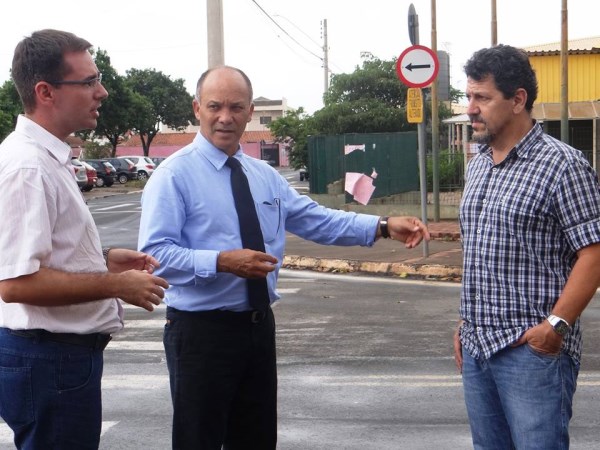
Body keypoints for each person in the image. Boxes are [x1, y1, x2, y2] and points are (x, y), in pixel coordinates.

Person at [137, 65, 430, 449]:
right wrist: (222, 261)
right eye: (215, 106)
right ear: (197, 109)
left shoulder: (263, 175)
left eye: (236, 107)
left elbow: (316, 220)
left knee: (256, 439)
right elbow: (156, 254)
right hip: (201, 333)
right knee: (199, 440)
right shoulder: (173, 176)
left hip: (258, 329)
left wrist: (382, 225)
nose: (225, 117)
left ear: (249, 110)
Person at [0, 29, 169, 450]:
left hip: (55, 358)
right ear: (46, 92)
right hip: (50, 360)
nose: (103, 91)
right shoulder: (28, 168)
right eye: (89, 81)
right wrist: (114, 285)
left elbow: (47, 253)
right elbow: (16, 284)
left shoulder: (46, 158)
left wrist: (105, 260)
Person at [453, 44, 600, 449]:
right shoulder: (479, 163)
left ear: (518, 99)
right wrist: (467, 324)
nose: (471, 108)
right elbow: (483, 251)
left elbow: (594, 252)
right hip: (477, 347)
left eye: (482, 97)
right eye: (469, 96)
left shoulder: (563, 165)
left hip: (531, 352)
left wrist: (555, 327)